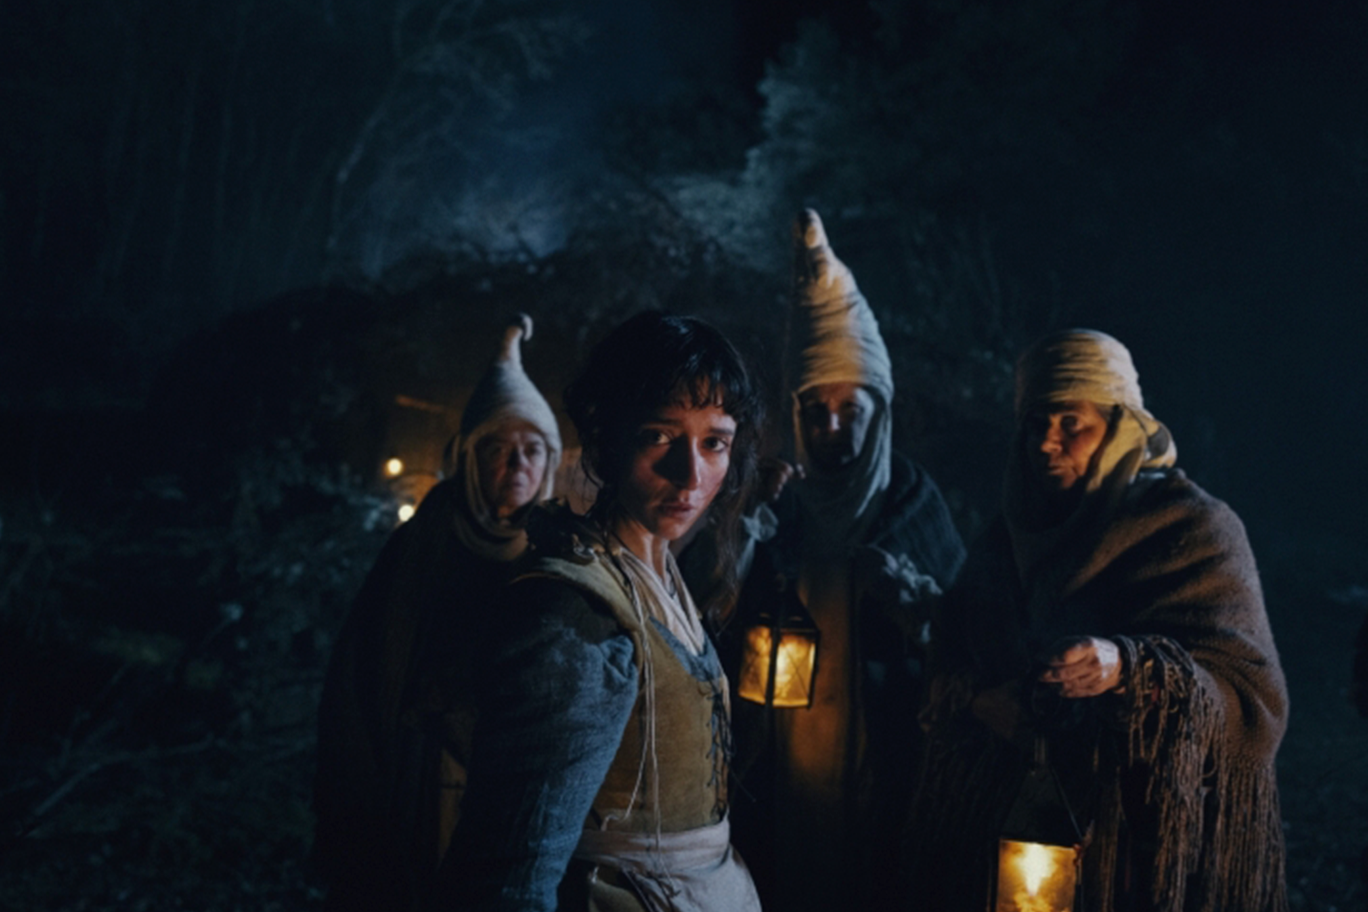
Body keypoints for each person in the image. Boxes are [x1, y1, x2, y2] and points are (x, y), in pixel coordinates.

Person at [905, 329, 1288, 912]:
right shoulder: (1006, 540)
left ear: (1120, 428)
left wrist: (1130, 667)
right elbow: (954, 652)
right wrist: (982, 701)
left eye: (1071, 423)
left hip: (1136, 851)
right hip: (1014, 846)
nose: (1047, 442)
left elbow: (1248, 693)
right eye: (1036, 424)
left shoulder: (1193, 529)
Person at [433, 311, 765, 912]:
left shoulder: (657, 572)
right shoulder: (577, 616)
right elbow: (511, 874)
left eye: (714, 442)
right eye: (659, 436)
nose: (690, 474)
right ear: (608, 439)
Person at [702, 209, 966, 912]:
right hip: (785, 778)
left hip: (885, 773)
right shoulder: (780, 509)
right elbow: (712, 614)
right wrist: (748, 519)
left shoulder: (913, 507)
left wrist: (912, 606)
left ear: (878, 410)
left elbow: (971, 644)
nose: (831, 427)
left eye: (850, 408)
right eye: (815, 410)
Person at [312, 315, 563, 912]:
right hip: (425, 782)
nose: (517, 465)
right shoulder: (422, 547)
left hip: (517, 787)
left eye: (531, 450)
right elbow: (363, 679)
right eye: (498, 449)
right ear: (469, 458)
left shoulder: (559, 553)